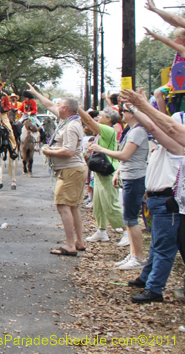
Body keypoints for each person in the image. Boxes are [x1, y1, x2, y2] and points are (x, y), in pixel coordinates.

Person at [114, 103, 181, 303]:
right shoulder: (165, 145)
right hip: (155, 199)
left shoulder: (175, 145)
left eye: (171, 127)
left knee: (163, 247)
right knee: (156, 245)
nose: (166, 128)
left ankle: (154, 289)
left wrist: (138, 107)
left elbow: (153, 126)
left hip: (166, 202)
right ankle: (146, 278)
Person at [26, 84, 87, 256]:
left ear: (65, 108)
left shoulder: (71, 126)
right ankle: (79, 242)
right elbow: (49, 105)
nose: (56, 106)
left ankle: (69, 245)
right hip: (70, 170)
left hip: (71, 170)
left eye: (59, 104)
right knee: (73, 206)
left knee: (62, 205)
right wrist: (36, 93)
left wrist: (48, 151)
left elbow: (69, 151)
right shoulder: (65, 120)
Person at [88, 103, 149, 270]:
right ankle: (133, 254)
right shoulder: (131, 131)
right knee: (126, 217)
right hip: (127, 175)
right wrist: (118, 172)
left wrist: (101, 149)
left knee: (129, 218)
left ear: (134, 114)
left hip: (135, 178)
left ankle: (138, 257)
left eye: (126, 111)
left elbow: (124, 155)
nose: (123, 113)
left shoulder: (136, 131)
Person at [77, 107, 126, 244]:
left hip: (107, 171)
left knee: (110, 204)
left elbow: (88, 121)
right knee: (98, 204)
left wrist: (77, 108)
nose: (99, 117)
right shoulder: (101, 132)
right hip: (99, 172)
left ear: (109, 119)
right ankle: (102, 231)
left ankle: (127, 231)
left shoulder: (109, 129)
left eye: (102, 115)